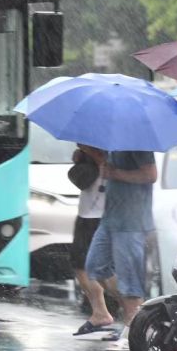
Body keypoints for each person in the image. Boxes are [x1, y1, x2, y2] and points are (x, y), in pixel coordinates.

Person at [84, 149, 158, 351]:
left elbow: (150, 175)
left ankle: (136, 332)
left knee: (130, 280)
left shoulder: (138, 142)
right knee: (95, 267)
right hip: (110, 219)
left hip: (131, 222)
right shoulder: (113, 142)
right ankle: (139, 318)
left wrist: (116, 174)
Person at [70, 144, 114, 337]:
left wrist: (88, 151)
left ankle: (134, 311)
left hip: (100, 214)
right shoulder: (94, 136)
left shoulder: (113, 140)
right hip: (87, 212)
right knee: (81, 265)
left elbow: (105, 162)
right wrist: (81, 155)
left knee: (101, 269)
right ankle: (100, 312)